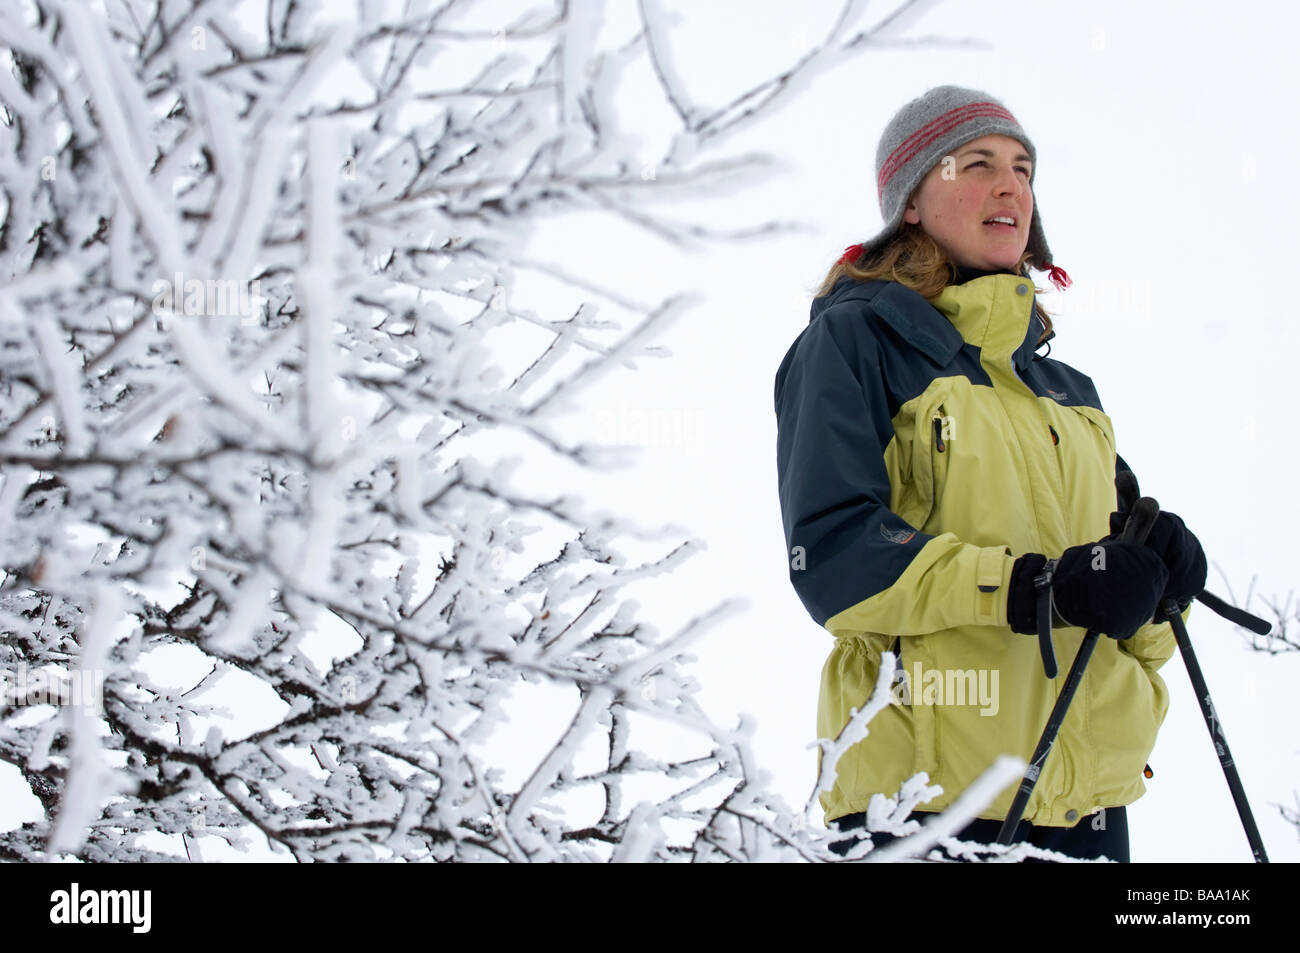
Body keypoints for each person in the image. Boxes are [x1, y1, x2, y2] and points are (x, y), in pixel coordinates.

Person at [772, 85, 1207, 862]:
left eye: (1023, 167)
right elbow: (835, 561)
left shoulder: (1067, 392)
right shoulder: (854, 345)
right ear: (910, 202)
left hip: (1091, 805)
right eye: (976, 163)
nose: (1012, 186)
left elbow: (1109, 591)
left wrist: (1160, 578)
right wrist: (1031, 586)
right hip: (928, 806)